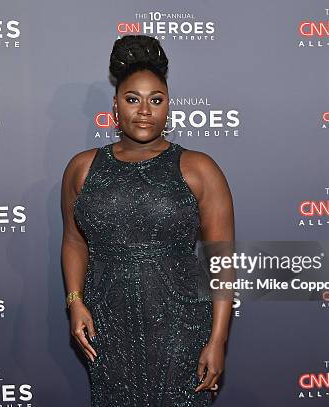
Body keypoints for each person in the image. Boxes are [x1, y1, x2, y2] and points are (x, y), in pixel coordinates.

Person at [61, 35, 235, 406]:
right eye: (133, 99)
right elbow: (74, 241)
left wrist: (217, 340)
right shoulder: (82, 168)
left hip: (181, 325)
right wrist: (75, 300)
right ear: (115, 106)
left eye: (156, 100)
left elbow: (222, 260)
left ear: (168, 106)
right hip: (107, 324)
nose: (144, 110)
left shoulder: (199, 168)